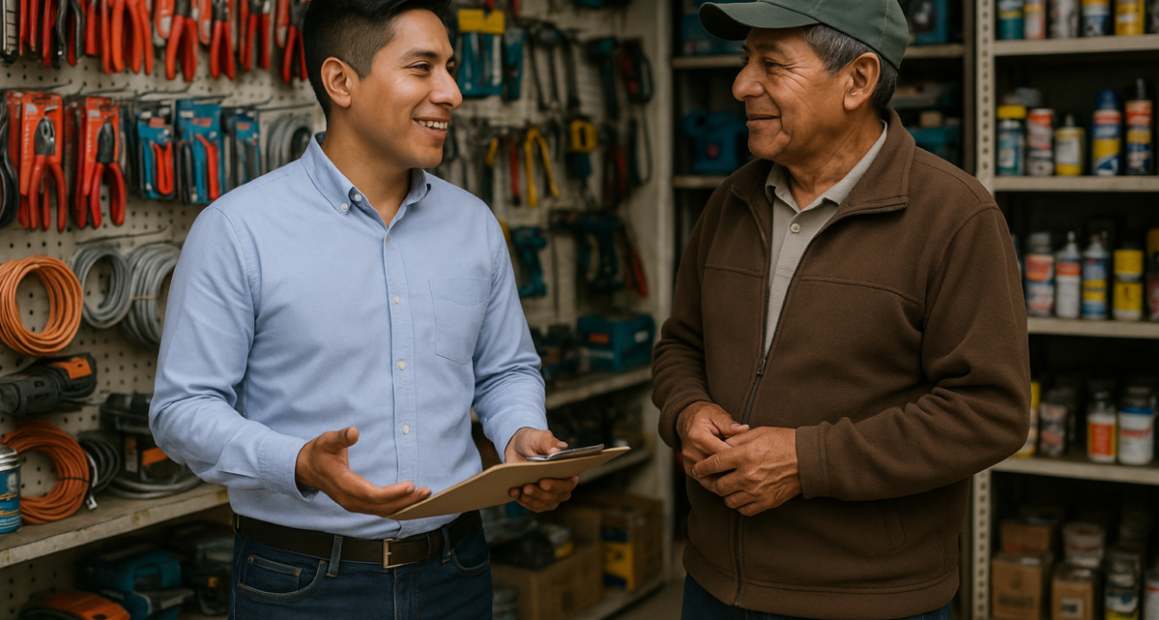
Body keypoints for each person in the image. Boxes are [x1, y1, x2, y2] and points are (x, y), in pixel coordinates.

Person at [149, 0, 577, 617]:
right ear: (340, 81)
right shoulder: (238, 230)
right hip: (302, 584)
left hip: (456, 570)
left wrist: (520, 433)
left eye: (449, 67)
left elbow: (505, 369)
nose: (452, 92)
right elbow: (181, 410)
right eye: (422, 67)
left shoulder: (473, 224)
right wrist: (299, 463)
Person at [652, 0, 1030, 618]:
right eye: (747, 60)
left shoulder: (956, 217)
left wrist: (807, 461)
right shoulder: (731, 202)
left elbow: (989, 411)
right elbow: (680, 346)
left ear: (858, 80)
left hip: (870, 600)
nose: (742, 84)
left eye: (772, 64)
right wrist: (687, 409)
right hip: (715, 586)